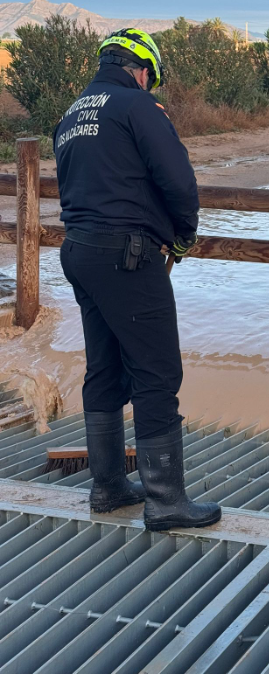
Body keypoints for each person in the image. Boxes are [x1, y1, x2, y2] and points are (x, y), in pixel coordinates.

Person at [54, 28, 221, 531]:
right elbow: (178, 180)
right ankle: (166, 502)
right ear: (142, 70)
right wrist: (185, 233)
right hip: (127, 256)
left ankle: (107, 487)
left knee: (104, 369)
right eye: (151, 78)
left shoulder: (72, 115)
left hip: (79, 251)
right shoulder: (138, 107)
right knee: (157, 373)